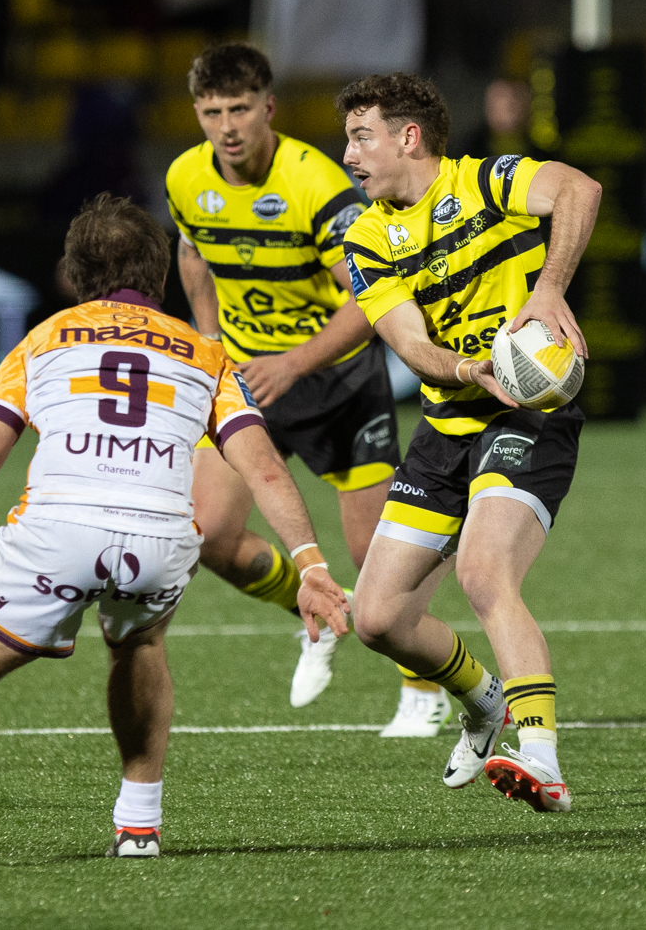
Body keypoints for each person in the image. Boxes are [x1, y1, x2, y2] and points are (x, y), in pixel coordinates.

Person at [0, 194, 350, 861]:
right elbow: (264, 469)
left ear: (75, 273)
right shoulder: (204, 353)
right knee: (140, 645)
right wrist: (311, 567)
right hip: (162, 537)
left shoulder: (43, 340)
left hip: (59, 529)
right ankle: (138, 825)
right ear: (159, 273)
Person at [165, 44, 449, 736]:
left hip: (335, 382)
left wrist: (294, 363)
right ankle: (315, 604)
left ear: (268, 108)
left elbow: (369, 298)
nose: (227, 127)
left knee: (378, 553)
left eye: (239, 109)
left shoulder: (316, 185)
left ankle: (424, 688)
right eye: (211, 113)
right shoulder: (184, 177)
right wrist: (211, 340)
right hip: (247, 380)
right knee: (207, 534)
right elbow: (192, 252)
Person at [337, 72, 600, 812]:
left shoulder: (487, 181)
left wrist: (549, 288)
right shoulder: (366, 236)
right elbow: (407, 342)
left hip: (529, 415)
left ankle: (541, 757)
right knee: (376, 618)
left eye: (361, 137)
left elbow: (580, 189)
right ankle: (483, 700)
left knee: (485, 572)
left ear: (408, 137)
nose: (349, 154)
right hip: (447, 426)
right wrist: (464, 369)